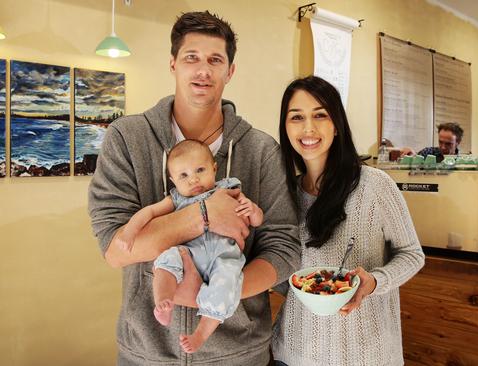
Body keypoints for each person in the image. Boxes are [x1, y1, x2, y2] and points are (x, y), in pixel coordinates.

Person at [88, 11, 301, 365]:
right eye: (192, 58)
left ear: (230, 71)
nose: (203, 70)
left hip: (239, 353)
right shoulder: (126, 138)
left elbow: (284, 250)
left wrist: (212, 296)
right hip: (146, 354)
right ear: (173, 64)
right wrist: (202, 215)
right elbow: (115, 248)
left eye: (215, 60)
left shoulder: (262, 150)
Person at [271, 76, 425, 366]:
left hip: (367, 354)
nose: (308, 128)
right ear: (285, 127)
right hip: (295, 353)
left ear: (337, 124)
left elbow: (412, 255)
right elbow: (284, 280)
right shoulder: (283, 194)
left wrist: (374, 282)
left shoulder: (375, 185)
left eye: (320, 115)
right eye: (296, 117)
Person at [114, 139, 263, 354]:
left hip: (224, 257)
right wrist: (129, 232)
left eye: (200, 170)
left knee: (227, 282)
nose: (193, 179)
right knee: (168, 258)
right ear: (173, 180)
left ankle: (201, 333)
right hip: (190, 254)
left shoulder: (229, 189)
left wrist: (252, 210)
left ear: (214, 168)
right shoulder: (176, 199)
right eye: (183, 175)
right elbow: (149, 213)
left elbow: (257, 221)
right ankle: (163, 300)